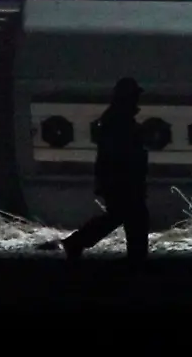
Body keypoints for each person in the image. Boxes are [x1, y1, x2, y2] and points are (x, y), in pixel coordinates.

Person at [59, 77, 150, 263]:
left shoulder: (114, 118)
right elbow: (121, 153)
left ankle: (77, 242)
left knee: (120, 216)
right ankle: (136, 257)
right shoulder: (120, 121)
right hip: (123, 179)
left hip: (119, 178)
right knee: (132, 217)